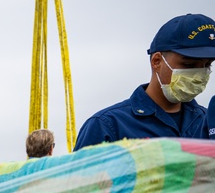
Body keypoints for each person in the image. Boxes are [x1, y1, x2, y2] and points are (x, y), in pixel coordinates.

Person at [74, 14, 215, 150]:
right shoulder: (108, 126)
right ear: (157, 61)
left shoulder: (207, 123)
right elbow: (81, 174)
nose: (199, 74)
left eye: (207, 65)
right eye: (189, 64)